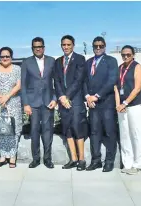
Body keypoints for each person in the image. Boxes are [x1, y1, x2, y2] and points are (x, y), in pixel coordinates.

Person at [114, 45, 141, 175]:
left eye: (128, 54)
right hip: (122, 106)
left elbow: (137, 88)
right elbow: (116, 87)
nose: (125, 56)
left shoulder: (137, 67)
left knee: (137, 133)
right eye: (123, 54)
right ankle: (128, 163)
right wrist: (118, 104)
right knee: (125, 135)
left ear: (133, 55)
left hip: (135, 104)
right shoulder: (120, 68)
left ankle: (140, 163)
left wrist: (125, 103)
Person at [21, 37, 57, 169]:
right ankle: (35, 159)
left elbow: (56, 82)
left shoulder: (52, 61)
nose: (38, 49)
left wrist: (55, 98)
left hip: (48, 101)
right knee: (34, 130)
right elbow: (23, 85)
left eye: (40, 46)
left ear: (44, 47)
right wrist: (26, 104)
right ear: (32, 48)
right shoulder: (26, 62)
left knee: (48, 131)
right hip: (33, 102)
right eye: (35, 47)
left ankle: (47, 159)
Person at [84, 36, 119, 172]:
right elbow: (84, 82)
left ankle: (109, 162)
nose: (98, 48)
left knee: (110, 132)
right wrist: (88, 97)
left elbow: (111, 81)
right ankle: (96, 160)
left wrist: (96, 97)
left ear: (105, 47)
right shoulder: (88, 63)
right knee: (94, 132)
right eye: (95, 46)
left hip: (106, 103)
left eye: (101, 46)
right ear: (93, 47)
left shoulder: (111, 61)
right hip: (92, 105)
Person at [53, 35, 88, 171]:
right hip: (63, 101)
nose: (66, 47)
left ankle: (82, 160)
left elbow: (79, 80)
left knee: (77, 128)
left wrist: (67, 97)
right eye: (63, 45)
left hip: (76, 100)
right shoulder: (58, 61)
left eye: (68, 44)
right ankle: (73, 159)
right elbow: (57, 81)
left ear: (73, 45)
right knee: (67, 129)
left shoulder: (80, 59)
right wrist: (61, 97)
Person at [0, 47, 22, 168]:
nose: (5, 58)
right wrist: (0, 97)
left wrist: (6, 97)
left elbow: (18, 85)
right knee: (1, 129)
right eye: (3, 56)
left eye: (7, 56)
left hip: (13, 102)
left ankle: (12, 156)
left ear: (11, 57)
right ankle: (3, 156)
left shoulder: (17, 69)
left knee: (14, 129)